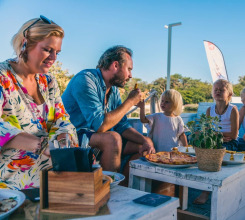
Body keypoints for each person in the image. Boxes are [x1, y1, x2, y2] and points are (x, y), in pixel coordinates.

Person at [0, 16, 77, 190]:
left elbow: (60, 118)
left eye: (57, 52)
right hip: (11, 166)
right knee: (65, 184)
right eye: (48, 50)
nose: (53, 57)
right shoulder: (2, 77)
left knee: (86, 171)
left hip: (48, 157)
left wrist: (63, 139)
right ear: (25, 44)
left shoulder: (48, 81)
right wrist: (41, 146)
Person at [62, 46, 155, 181]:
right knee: (112, 138)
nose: (130, 75)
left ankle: (123, 188)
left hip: (93, 137)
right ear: (115, 65)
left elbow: (122, 126)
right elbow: (99, 125)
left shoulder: (113, 90)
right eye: (129, 69)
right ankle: (108, 192)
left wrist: (146, 140)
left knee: (143, 146)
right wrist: (130, 102)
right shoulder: (85, 80)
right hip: (73, 137)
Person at [194, 79, 239, 204]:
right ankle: (202, 184)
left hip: (230, 142)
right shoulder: (210, 110)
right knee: (201, 149)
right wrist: (218, 137)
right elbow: (208, 132)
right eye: (216, 90)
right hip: (216, 141)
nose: (218, 91)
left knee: (214, 155)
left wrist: (217, 136)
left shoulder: (233, 110)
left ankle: (206, 192)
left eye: (222, 90)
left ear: (229, 94)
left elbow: (234, 134)